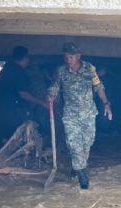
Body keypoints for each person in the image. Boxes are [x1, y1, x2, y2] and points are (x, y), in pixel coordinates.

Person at [47, 42, 112, 189]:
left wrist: (106, 103)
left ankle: (76, 166)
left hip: (88, 114)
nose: (68, 59)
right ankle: (82, 175)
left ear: (78, 56)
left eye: (71, 57)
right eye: (66, 56)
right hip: (70, 115)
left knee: (86, 144)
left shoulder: (89, 69)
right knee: (74, 144)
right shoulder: (61, 71)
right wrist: (51, 94)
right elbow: (55, 86)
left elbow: (98, 87)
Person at [0, 46, 47, 139]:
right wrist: (42, 103)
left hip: (3, 108)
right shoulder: (19, 72)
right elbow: (23, 94)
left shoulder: (7, 68)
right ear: (25, 58)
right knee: (21, 133)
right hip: (16, 108)